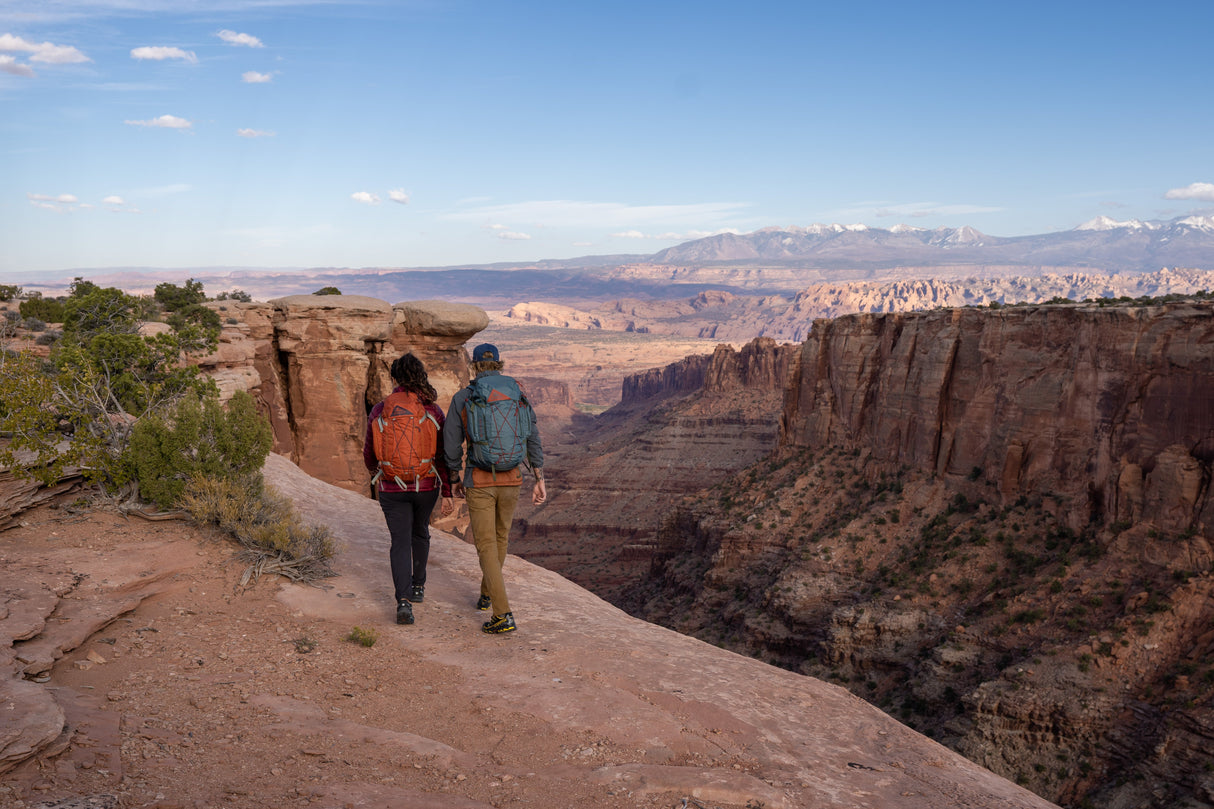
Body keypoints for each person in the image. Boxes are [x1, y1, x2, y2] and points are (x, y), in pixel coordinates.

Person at [444, 343, 546, 634]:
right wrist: (539, 477)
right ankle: (487, 594)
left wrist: (453, 479)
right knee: (501, 539)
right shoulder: (517, 394)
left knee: (486, 544)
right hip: (513, 478)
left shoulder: (464, 397)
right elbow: (532, 436)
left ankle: (503, 614)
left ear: (474, 366)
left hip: (481, 479)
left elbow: (451, 444)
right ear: (499, 364)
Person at [364, 353, 454, 625]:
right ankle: (418, 587)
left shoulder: (381, 409)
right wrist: (447, 490)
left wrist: (379, 473)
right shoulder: (433, 410)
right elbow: (442, 454)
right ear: (420, 376)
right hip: (426, 485)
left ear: (394, 378)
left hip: (392, 488)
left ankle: (403, 602)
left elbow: (370, 451)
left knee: (399, 542)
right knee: (421, 532)